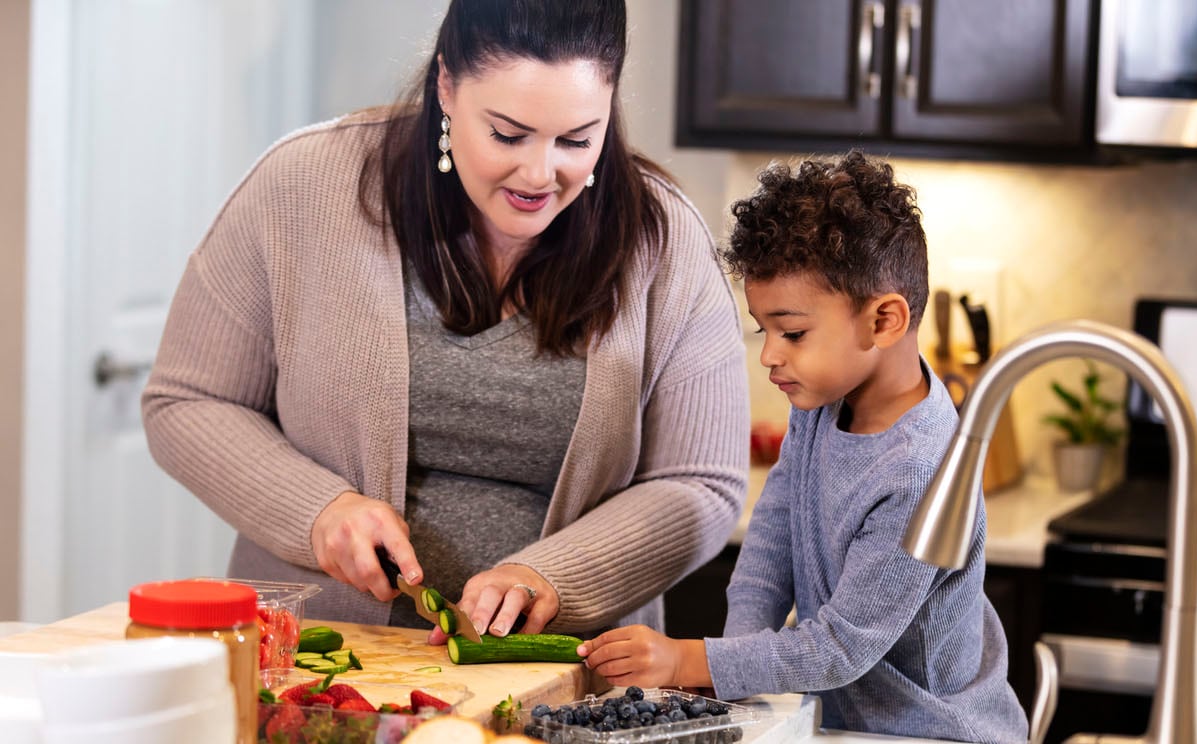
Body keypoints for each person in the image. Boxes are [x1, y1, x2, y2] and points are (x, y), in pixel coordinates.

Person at [141, 0, 748, 642]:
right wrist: (318, 510)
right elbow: (187, 400)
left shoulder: (666, 239)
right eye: (508, 135)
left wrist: (553, 578)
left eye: (576, 139)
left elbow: (701, 483)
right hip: (325, 670)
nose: (540, 174)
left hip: (568, 680)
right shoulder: (301, 186)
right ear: (447, 86)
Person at [578, 151, 1029, 742]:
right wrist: (731, 670)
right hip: (843, 725)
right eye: (764, 329)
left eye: (791, 332)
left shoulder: (921, 470)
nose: (769, 354)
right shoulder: (821, 405)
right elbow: (771, 542)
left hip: (934, 733)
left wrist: (693, 661)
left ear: (884, 321)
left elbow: (839, 648)